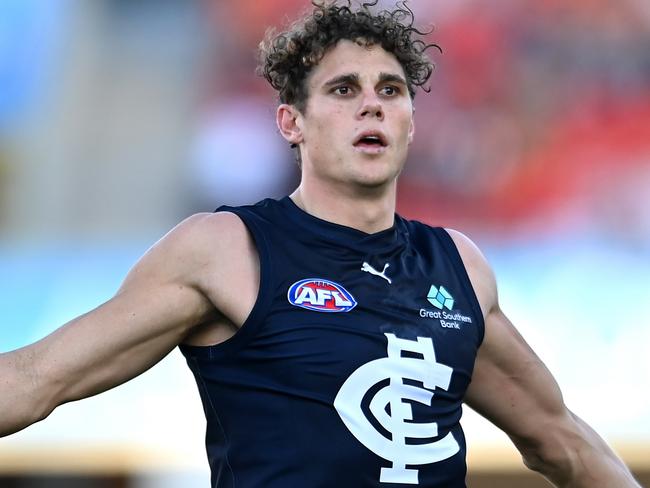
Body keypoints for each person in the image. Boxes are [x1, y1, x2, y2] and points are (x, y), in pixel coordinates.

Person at [0, 1, 642, 487]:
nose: (373, 108)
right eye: (343, 91)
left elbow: (561, 440)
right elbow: (35, 379)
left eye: (390, 91)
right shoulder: (227, 251)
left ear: (412, 122)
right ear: (292, 122)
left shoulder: (458, 266)